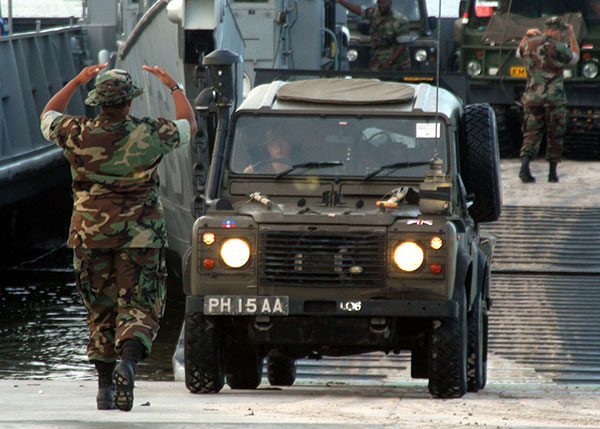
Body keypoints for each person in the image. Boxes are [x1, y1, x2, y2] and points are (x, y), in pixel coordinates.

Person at [39, 64, 197, 411]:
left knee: (100, 308)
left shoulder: (75, 131)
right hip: (141, 236)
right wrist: (173, 86)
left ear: (98, 103)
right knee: (139, 305)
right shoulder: (149, 133)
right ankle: (128, 362)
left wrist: (77, 79)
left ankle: (104, 389)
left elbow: (48, 114)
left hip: (89, 235)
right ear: (129, 104)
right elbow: (190, 125)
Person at [516, 16, 579, 183]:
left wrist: (527, 36)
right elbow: (574, 58)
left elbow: (518, 52)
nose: (561, 36)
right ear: (553, 31)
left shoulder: (529, 44)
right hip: (554, 99)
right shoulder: (558, 47)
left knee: (531, 133)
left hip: (532, 97)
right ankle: (552, 173)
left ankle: (524, 167)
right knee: (555, 134)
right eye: (561, 32)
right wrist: (572, 35)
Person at [336, 0, 410, 71]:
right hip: (378, 62)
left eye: (384, 3)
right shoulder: (375, 14)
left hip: (396, 64)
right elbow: (360, 11)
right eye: (379, 3)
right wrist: (341, 1)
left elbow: (402, 45)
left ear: (390, 3)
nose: (381, 5)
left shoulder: (399, 20)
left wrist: (389, 62)